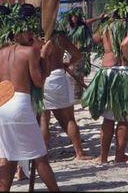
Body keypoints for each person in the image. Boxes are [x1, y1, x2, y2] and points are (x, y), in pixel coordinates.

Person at [0, 4, 59, 191]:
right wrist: (45, 57)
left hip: (0, 106)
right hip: (19, 104)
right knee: (40, 156)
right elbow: (38, 82)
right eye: (30, 32)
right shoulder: (30, 52)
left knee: (6, 156)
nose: (31, 36)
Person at [82, 5, 128, 164]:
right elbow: (125, 45)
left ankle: (103, 157)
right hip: (124, 72)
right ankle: (119, 156)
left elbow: (94, 40)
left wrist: (103, 21)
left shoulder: (106, 27)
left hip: (107, 73)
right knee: (124, 118)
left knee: (108, 118)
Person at [39, 28, 91, 160]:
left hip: (41, 78)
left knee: (43, 119)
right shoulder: (59, 38)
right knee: (68, 118)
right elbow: (78, 55)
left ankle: (43, 155)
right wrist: (67, 63)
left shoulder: (34, 39)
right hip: (57, 76)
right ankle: (79, 152)